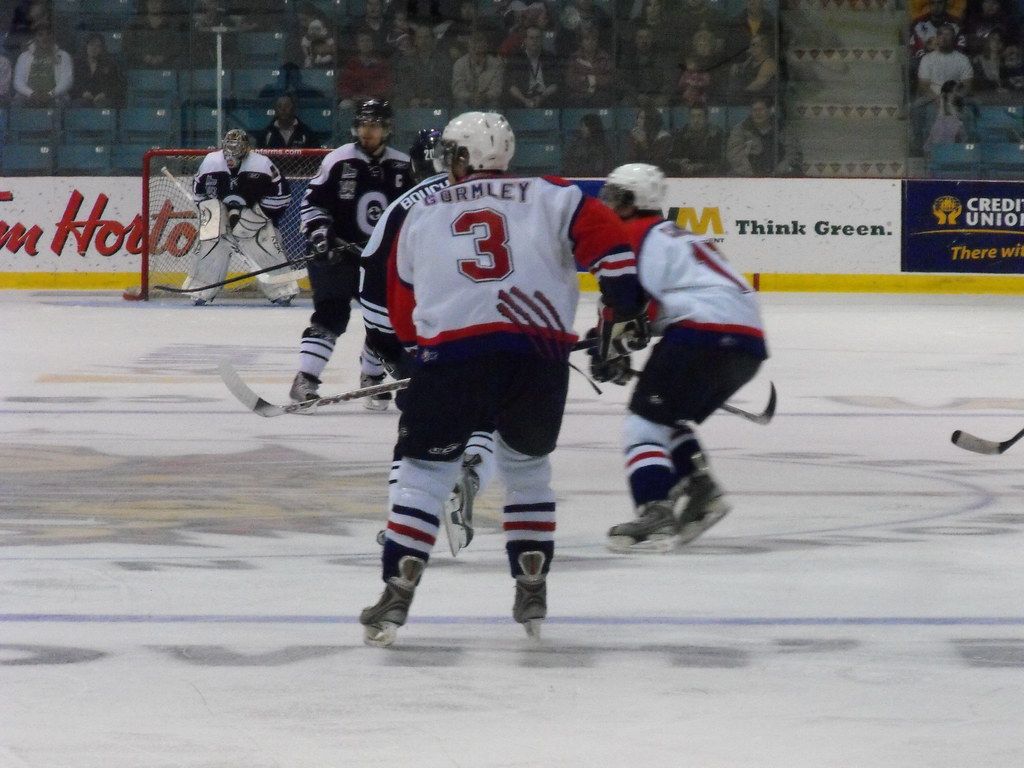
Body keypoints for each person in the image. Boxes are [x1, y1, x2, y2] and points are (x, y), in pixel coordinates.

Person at [359, 111, 648, 647]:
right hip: (537, 359)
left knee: (423, 473)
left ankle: (398, 590)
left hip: (452, 359)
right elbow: (611, 246)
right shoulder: (556, 195)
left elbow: (402, 310)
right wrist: (621, 313)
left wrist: (418, 356)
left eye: (452, 155)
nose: (447, 165)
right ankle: (531, 583)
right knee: (528, 469)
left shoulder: (421, 213)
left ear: (465, 158)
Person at [593, 163, 768, 553]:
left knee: (642, 423)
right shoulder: (677, 235)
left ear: (632, 202)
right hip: (747, 344)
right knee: (664, 415)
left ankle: (654, 511)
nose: (607, 205)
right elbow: (652, 308)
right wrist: (613, 344)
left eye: (615, 197)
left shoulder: (630, 233)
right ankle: (702, 491)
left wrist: (606, 345)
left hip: (700, 333)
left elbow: (627, 303)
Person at [359, 127, 497, 553]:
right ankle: (469, 475)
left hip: (430, 337)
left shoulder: (408, 207)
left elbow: (373, 279)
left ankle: (402, 522)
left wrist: (389, 347)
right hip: (498, 330)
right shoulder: (511, 194)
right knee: (485, 418)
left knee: (418, 432)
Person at [290, 98, 413, 409]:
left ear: (387, 129)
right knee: (331, 314)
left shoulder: (402, 165)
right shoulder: (338, 160)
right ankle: (305, 378)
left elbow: (412, 214)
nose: (366, 131)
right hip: (338, 252)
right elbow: (312, 203)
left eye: (373, 125)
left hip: (379, 260)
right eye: (362, 124)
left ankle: (372, 378)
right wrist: (320, 236)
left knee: (383, 320)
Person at [186, 129, 300, 306]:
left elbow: (282, 195)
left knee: (262, 239)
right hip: (221, 214)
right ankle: (202, 287)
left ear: (246, 149)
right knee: (211, 239)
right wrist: (215, 213)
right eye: (228, 148)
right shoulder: (211, 162)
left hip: (253, 216)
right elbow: (199, 195)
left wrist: (254, 217)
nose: (231, 154)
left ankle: (281, 288)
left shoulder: (261, 164)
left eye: (236, 148)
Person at [12, 23, 72, 106]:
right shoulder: (24, 56)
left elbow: (66, 81)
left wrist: (50, 94)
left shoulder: (63, 56)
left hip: (55, 96)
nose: (45, 38)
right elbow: (18, 81)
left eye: (48, 34)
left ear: (53, 37)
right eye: (40, 35)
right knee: (17, 103)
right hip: (28, 96)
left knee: (61, 103)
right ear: (35, 37)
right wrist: (32, 94)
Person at [72, 33, 124, 108]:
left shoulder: (109, 64)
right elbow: (72, 85)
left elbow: (116, 85)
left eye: (98, 46)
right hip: (82, 98)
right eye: (91, 45)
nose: (94, 48)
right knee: (78, 104)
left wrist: (105, 94)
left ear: (102, 49)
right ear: (86, 46)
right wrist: (82, 93)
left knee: (102, 105)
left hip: (103, 99)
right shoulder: (77, 64)